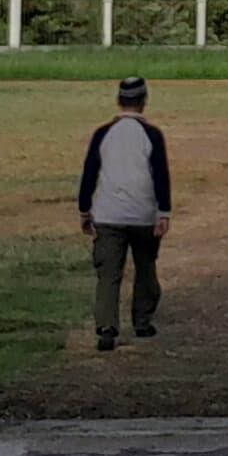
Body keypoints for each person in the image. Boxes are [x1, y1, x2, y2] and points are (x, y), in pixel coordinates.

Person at [75, 77, 172, 352]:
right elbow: (161, 176)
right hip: (143, 214)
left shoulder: (103, 133)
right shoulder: (152, 134)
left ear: (119, 101)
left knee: (108, 274)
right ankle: (142, 321)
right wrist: (164, 211)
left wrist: (84, 209)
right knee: (145, 267)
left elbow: (89, 173)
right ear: (144, 102)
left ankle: (107, 326)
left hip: (108, 214)